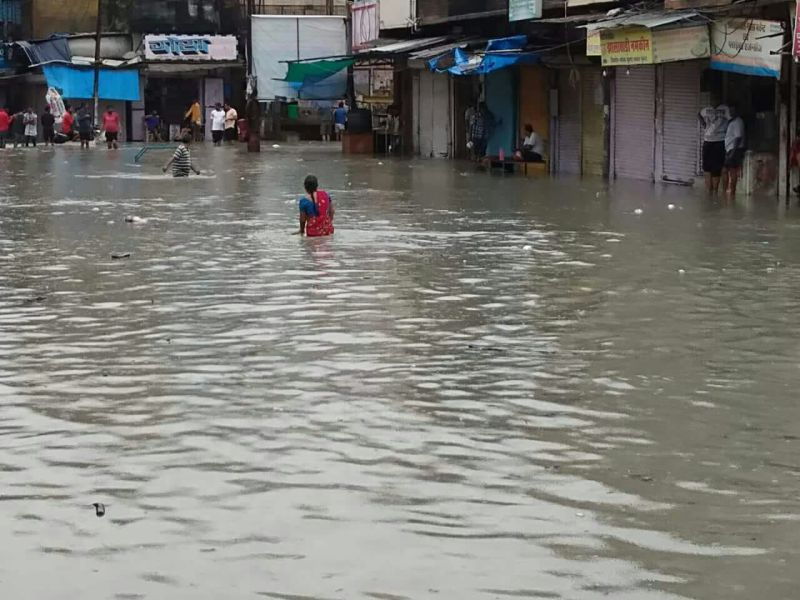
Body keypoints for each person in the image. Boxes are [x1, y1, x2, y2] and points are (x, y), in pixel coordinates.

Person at [699, 97, 730, 194]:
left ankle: (715, 191)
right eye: (712, 99)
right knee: (706, 166)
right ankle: (709, 190)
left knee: (716, 167)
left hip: (720, 140)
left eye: (715, 98)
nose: (713, 101)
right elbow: (699, 115)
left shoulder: (725, 109)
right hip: (708, 141)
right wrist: (703, 124)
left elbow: (731, 119)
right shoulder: (706, 109)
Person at [724, 105, 746, 198]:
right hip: (731, 149)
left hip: (734, 150)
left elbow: (738, 138)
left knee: (732, 172)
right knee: (727, 170)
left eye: (733, 110)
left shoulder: (738, 122)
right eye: (730, 110)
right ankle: (728, 192)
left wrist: (732, 153)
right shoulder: (733, 121)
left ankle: (732, 193)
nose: (731, 112)